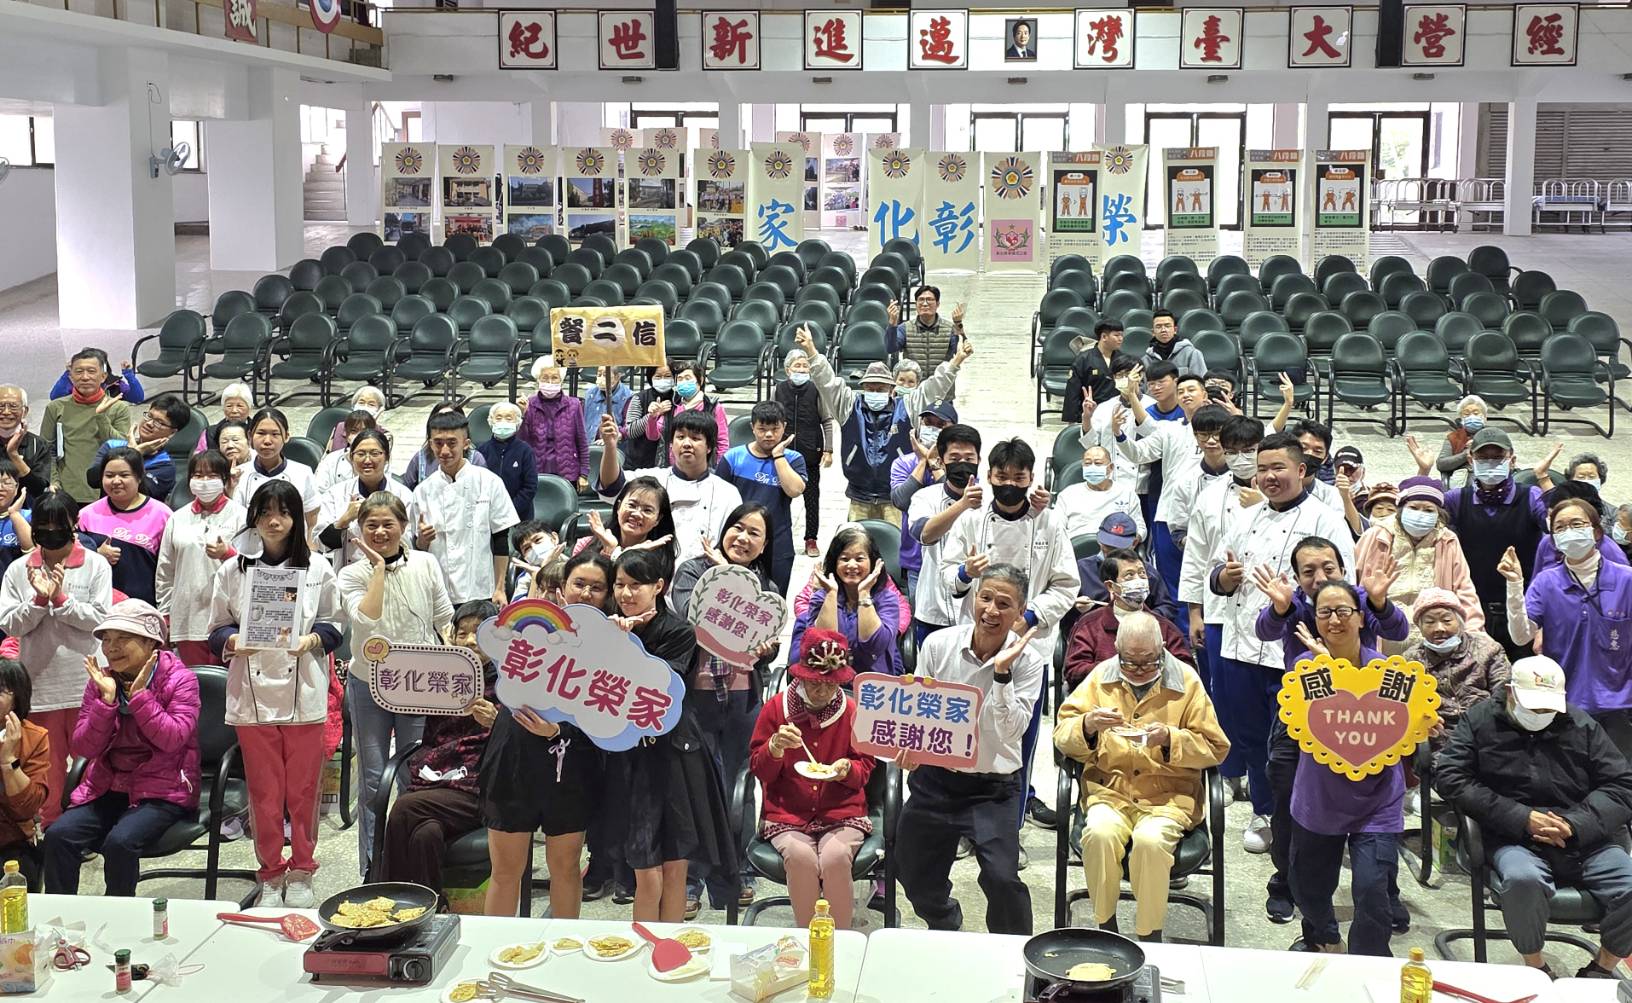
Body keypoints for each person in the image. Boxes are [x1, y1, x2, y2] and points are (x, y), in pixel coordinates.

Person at [1437, 655, 1632, 980]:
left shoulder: (1581, 724)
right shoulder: (1480, 720)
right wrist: (1521, 817)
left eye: (1547, 708)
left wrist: (1575, 824)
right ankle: (1537, 968)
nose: (1540, 714)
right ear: (1510, 692)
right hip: (1512, 836)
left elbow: (1621, 784)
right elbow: (1451, 777)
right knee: (1522, 881)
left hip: (1584, 837)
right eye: (1533, 706)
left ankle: (1602, 968)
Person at [1252, 534, 1411, 927]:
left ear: (1343, 568)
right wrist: (1279, 608)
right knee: (1290, 802)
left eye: (1328, 567)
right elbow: (1264, 630)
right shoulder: (1293, 604)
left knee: (1376, 808)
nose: (1319, 577)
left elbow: (1398, 628)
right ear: (1297, 577)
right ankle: (1287, 885)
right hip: (1302, 717)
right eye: (1308, 571)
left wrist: (1379, 602)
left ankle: (1384, 890)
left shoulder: (1358, 600)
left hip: (1362, 718)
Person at [1208, 432, 1354, 855]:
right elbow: (1214, 572)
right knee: (1251, 737)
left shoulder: (1326, 520)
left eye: (1278, 468)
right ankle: (1264, 811)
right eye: (1262, 469)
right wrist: (1224, 578)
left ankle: (1305, 818)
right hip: (1241, 645)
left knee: (1296, 744)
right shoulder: (1245, 518)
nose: (1269, 476)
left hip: (1297, 652)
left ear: (1302, 470)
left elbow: (1343, 588)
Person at [207, 479, 344, 908]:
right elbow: (216, 629)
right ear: (253, 518)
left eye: (283, 512)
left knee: (303, 791)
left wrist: (312, 640)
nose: (274, 520)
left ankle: (302, 869)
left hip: (304, 693)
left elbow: (335, 624)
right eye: (265, 512)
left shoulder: (317, 568)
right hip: (252, 697)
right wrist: (234, 641)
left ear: (296, 518)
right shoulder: (232, 570)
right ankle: (269, 873)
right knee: (264, 793)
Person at [1055, 612, 1229, 941]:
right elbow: (1063, 734)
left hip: (1168, 797)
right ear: (1117, 651)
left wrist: (1170, 739)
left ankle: (1150, 933)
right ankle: (1106, 925)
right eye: (1129, 662)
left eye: (1148, 661)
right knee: (1099, 834)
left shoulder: (1187, 682)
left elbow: (1215, 747)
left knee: (1150, 842)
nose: (1138, 670)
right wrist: (1088, 725)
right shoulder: (1100, 677)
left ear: (1161, 650)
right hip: (1109, 790)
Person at [897, 564, 1043, 935]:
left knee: (1002, 879)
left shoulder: (1030, 662)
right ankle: (945, 922)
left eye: (1004, 604)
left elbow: (1012, 732)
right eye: (986, 598)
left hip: (992, 787)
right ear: (975, 597)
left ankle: (1012, 949)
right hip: (935, 780)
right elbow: (919, 711)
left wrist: (1002, 675)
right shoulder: (938, 644)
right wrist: (911, 748)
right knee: (911, 872)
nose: (991, 610)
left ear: (1020, 611)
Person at [482, 552, 614, 919]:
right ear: (561, 589)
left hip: (573, 762)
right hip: (514, 754)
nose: (586, 593)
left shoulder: (615, 648)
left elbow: (607, 718)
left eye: (597, 587)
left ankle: (564, 947)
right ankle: (496, 947)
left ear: (608, 595)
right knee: (505, 871)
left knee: (566, 868)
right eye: (579, 584)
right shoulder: (530, 628)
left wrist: (558, 730)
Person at [607, 548, 734, 923]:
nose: (626, 593)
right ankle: (645, 945)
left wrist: (626, 644)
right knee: (646, 874)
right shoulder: (604, 631)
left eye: (636, 585)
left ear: (659, 586)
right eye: (620, 584)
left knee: (676, 867)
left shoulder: (679, 631)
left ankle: (669, 946)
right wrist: (611, 642)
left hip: (676, 753)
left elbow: (661, 685)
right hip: (628, 760)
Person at [44, 600, 198, 896]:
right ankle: (60, 916)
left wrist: (140, 697)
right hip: (110, 785)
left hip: (163, 790)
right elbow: (84, 747)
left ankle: (119, 914)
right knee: (58, 835)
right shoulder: (102, 682)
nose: (111, 648)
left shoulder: (182, 680)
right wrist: (106, 702)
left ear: (151, 642)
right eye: (107, 640)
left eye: (123, 638)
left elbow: (173, 739)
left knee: (120, 843)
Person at [337, 493, 454, 879]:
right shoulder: (351, 574)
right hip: (368, 682)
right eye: (371, 525)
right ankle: (374, 867)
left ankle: (409, 863)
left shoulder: (425, 563)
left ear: (404, 526)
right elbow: (366, 619)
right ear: (359, 530)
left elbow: (444, 619)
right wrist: (376, 570)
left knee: (413, 773)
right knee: (373, 779)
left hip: (419, 684)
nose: (380, 532)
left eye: (388, 524)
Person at [1428, 427, 1622, 660]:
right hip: (1471, 608)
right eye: (1483, 457)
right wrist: (1424, 471)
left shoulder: (1530, 496)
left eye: (1498, 457)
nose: (1490, 463)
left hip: (1523, 608)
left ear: (1512, 461)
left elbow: (1556, 523)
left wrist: (1544, 479)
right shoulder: (1457, 498)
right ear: (1471, 460)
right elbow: (1423, 514)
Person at [1287, 580, 1407, 956]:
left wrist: (1424, 725)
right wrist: (1327, 666)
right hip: (1319, 798)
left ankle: (1367, 962)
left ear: (1360, 618)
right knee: (1308, 886)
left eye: (1343, 611)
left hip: (1378, 800)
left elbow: (1408, 721)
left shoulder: (1388, 672)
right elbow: (1312, 722)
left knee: (1372, 890)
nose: (1335, 619)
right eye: (1325, 612)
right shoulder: (1305, 668)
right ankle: (1324, 939)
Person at [669, 503, 778, 913]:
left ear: (764, 545)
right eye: (738, 528)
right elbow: (694, 619)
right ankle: (694, 876)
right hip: (695, 696)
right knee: (696, 786)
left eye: (754, 533)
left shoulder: (765, 584)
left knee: (740, 783)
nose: (743, 538)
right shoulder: (693, 571)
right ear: (723, 530)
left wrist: (767, 649)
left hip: (742, 697)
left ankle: (739, 871)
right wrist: (724, 576)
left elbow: (768, 641)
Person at [0, 490, 113, 826]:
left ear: (73, 524)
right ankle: (50, 827)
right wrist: (38, 601)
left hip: (85, 682)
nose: (51, 532)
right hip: (40, 684)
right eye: (43, 526)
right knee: (47, 766)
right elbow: (9, 624)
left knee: (90, 761)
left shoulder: (95, 565)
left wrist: (61, 600)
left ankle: (89, 825)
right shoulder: (18, 570)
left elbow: (101, 619)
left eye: (58, 525)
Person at [749, 629, 874, 928]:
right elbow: (758, 769)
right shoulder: (776, 709)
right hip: (787, 812)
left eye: (831, 685)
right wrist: (775, 748)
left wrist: (847, 769)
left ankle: (839, 939)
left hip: (841, 811)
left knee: (835, 856)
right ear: (801, 677)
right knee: (800, 856)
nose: (822, 692)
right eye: (815, 683)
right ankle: (810, 938)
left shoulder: (851, 711)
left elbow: (865, 769)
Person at [378, 600, 498, 899]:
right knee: (426, 834)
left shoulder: (510, 685)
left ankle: (386, 900)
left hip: (479, 788)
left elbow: (526, 741)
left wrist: (499, 722)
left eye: (479, 632)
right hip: (433, 782)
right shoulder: (441, 678)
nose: (470, 641)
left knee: (404, 808)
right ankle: (430, 909)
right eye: (462, 633)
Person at [797, 325, 968, 523]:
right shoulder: (849, 406)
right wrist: (811, 351)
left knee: (893, 540)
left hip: (895, 495)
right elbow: (827, 382)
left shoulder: (908, 407)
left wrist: (955, 362)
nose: (875, 392)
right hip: (859, 496)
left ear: (890, 389)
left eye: (880, 389)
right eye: (870, 388)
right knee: (857, 540)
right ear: (863, 388)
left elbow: (934, 387)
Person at [1501, 495, 1632, 753]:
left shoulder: (1626, 580)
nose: (1568, 532)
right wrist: (1514, 586)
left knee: (1620, 774)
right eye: (1559, 527)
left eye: (1577, 524)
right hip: (1562, 701)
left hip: (1620, 705)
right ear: (1553, 540)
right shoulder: (1546, 582)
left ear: (1596, 532)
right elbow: (1520, 636)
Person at [1114, 390, 1226, 602]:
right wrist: (1119, 434)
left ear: (1204, 394)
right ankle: (1179, 624)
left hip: (1215, 521)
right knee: (1175, 583)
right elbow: (1138, 453)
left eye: (1191, 390)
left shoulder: (1234, 466)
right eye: (1181, 391)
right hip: (1171, 515)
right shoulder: (1168, 429)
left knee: (1217, 582)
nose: (1186, 395)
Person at [594, 409, 741, 569]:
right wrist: (610, 446)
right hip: (650, 571)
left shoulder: (728, 493)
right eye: (680, 437)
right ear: (671, 444)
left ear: (709, 447)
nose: (686, 443)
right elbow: (612, 486)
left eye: (695, 438)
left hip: (704, 574)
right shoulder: (652, 479)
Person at [1353, 476, 1481, 654]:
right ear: (1401, 509)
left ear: (1439, 514)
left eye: (1428, 510)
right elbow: (1353, 583)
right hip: (1381, 640)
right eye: (1413, 508)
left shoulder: (1447, 540)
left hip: (1432, 643)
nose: (1420, 514)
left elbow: (1464, 589)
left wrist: (1475, 635)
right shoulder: (1375, 535)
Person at [414, 410, 521, 606]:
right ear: (430, 444)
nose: (444, 450)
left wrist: (500, 588)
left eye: (452, 443)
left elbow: (500, 539)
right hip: (439, 590)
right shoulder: (423, 491)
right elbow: (419, 549)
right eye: (438, 443)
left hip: (479, 586)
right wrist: (422, 540)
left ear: (466, 443)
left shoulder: (489, 482)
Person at [155, 450, 246, 666]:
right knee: (195, 682)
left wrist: (228, 554)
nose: (204, 481)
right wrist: (165, 614)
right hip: (187, 618)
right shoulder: (177, 518)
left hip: (230, 619)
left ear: (225, 479)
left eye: (212, 475)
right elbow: (165, 572)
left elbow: (253, 565)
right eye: (198, 475)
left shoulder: (241, 516)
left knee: (229, 683)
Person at [1401, 588, 1510, 751]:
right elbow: (1399, 707)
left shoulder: (1489, 649)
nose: (1439, 628)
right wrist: (1419, 721)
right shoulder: (1410, 660)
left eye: (1446, 620)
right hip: (1438, 743)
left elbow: (1504, 695)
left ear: (1460, 622)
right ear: (1420, 627)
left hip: (1487, 737)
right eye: (1429, 622)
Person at [714, 402, 805, 595]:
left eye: (775, 429)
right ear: (752, 427)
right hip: (739, 541)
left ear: (784, 427)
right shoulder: (733, 458)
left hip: (778, 542)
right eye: (762, 429)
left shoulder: (794, 459)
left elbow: (794, 490)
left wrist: (778, 456)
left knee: (772, 599)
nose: (769, 435)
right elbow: (718, 500)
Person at [790, 526, 902, 678]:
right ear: (834, 563)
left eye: (859, 559)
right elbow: (822, 647)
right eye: (844, 559)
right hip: (829, 682)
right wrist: (831, 594)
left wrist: (864, 593)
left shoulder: (887, 599)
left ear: (873, 562)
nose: (852, 565)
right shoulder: (821, 597)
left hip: (872, 685)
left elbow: (875, 645)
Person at [1062, 555, 1190, 687]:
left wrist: (1160, 662)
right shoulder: (1089, 626)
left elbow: (1188, 672)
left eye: (1142, 573)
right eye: (1130, 575)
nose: (1139, 581)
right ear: (1111, 586)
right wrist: (1117, 667)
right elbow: (1074, 672)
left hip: (1156, 697)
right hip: (1103, 697)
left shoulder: (1164, 626)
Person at [908, 423, 982, 646]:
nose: (963, 464)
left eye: (969, 458)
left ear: (979, 460)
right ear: (941, 461)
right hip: (934, 609)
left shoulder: (990, 499)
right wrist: (963, 504)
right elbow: (923, 534)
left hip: (978, 613)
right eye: (955, 458)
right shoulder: (925, 497)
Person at [76, 447, 171, 605]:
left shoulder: (162, 514)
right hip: (96, 606)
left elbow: (170, 567)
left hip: (144, 606)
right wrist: (96, 553)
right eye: (109, 475)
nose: (116, 481)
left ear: (139, 477)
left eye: (124, 475)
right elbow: (70, 559)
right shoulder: (86, 515)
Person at [316, 430, 418, 571]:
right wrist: (345, 519)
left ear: (387, 457)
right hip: (348, 574)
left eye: (375, 454)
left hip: (392, 571)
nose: (367, 460)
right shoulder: (335, 494)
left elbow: (409, 545)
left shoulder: (403, 495)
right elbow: (321, 543)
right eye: (361, 454)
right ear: (351, 458)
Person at [39, 349, 131, 506]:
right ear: (71, 377)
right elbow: (46, 450)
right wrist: (54, 481)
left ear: (103, 376)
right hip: (67, 490)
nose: (85, 377)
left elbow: (121, 448)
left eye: (91, 371)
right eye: (79, 372)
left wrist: (101, 417)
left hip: (107, 489)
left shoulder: (119, 407)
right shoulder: (56, 407)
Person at [889, 401, 958, 601]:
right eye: (928, 423)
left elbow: (956, 504)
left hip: (953, 559)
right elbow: (901, 501)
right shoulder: (903, 463)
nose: (933, 429)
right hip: (916, 561)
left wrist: (935, 465)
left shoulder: (961, 465)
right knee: (917, 614)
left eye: (940, 425)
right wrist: (922, 461)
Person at [772, 348, 834, 559]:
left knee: (812, 498)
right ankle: (779, 537)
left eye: (805, 366)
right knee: (780, 498)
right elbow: (771, 419)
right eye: (797, 365)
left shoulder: (817, 390)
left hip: (810, 452)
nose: (801, 369)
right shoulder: (778, 389)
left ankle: (811, 539)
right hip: (784, 455)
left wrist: (828, 449)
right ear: (787, 369)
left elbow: (827, 420)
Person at [0, 660, 48, 887]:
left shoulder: (34, 737)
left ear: (17, 697)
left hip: (11, 839)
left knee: (19, 879)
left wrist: (9, 760)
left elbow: (27, 807)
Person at [90, 393, 190, 503]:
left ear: (172, 432)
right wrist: (133, 451)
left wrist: (134, 453)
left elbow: (140, 494)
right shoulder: (112, 445)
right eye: (149, 416)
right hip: (107, 511)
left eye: (159, 422)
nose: (149, 423)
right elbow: (92, 479)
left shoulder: (165, 465)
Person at [231, 409, 320, 531]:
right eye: (261, 433)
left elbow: (312, 519)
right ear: (250, 436)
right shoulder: (238, 475)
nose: (267, 441)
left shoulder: (303, 473)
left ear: (286, 436)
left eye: (275, 434)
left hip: (292, 542)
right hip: (248, 541)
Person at [645, 360, 730, 469]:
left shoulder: (712, 407)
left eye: (687, 378)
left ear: (700, 380)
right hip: (671, 467)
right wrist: (652, 417)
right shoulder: (671, 405)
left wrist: (720, 468)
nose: (683, 382)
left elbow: (722, 442)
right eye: (680, 379)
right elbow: (653, 436)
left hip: (703, 468)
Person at [520, 356, 589, 488]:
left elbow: (582, 441)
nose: (550, 382)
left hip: (568, 473)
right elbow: (522, 441)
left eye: (554, 377)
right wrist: (522, 415)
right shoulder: (529, 404)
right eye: (545, 378)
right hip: (536, 471)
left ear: (561, 380)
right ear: (538, 380)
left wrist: (584, 473)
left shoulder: (574, 404)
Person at [1055, 444, 1144, 541]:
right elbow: (1056, 528)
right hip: (1074, 546)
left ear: (1111, 467)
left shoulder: (1126, 493)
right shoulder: (1068, 494)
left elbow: (1140, 528)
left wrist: (1134, 540)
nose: (1092, 467)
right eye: (1087, 463)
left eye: (1098, 463)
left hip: (1115, 547)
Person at [476, 400, 538, 524]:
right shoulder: (481, 450)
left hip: (520, 516)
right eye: (498, 418)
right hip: (489, 515)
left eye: (509, 418)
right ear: (491, 421)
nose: (503, 422)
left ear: (517, 423)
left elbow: (530, 487)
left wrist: (509, 510)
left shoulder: (525, 450)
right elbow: (477, 484)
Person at [1063, 321, 1128, 424]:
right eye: (1116, 335)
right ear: (1104, 337)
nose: (1120, 339)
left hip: (1117, 414)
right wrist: (1072, 420)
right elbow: (1072, 391)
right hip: (1091, 413)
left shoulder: (1122, 359)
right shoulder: (1083, 359)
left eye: (1121, 335)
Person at [885, 285, 965, 367]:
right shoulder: (904, 328)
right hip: (914, 375)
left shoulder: (950, 328)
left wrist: (958, 323)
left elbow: (962, 350)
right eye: (921, 299)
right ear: (916, 304)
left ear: (937, 304)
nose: (925, 304)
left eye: (929, 299)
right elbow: (891, 348)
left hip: (942, 375)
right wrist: (892, 324)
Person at [0, 385, 54, 500]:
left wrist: (13, 455)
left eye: (13, 406)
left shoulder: (38, 444)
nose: (6, 412)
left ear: (25, 411)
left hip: (26, 509)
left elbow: (40, 490)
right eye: (1, 406)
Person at [622, 361, 678, 470]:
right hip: (639, 463)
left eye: (667, 376)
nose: (663, 380)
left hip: (669, 464)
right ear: (650, 377)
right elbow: (630, 431)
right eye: (658, 376)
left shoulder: (678, 399)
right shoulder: (639, 398)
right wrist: (652, 416)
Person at [312, 410, 377, 495]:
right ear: (346, 434)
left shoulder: (380, 459)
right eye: (354, 431)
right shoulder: (331, 459)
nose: (359, 436)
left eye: (364, 432)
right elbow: (318, 491)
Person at [49, 351, 143, 404]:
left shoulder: (115, 384)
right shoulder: (75, 382)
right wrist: (68, 374)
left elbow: (137, 398)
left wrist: (129, 375)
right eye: (80, 370)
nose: (85, 376)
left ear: (103, 374)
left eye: (91, 370)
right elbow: (55, 397)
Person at [1436, 395, 1488, 486]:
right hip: (1462, 480)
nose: (1472, 417)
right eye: (1467, 414)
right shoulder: (1453, 437)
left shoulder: (1494, 435)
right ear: (1461, 419)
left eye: (1476, 413)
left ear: (1485, 417)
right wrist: (1466, 454)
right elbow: (1441, 464)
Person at [1143, 309, 1207, 378]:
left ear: (1175, 330)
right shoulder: (1146, 360)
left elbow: (1200, 381)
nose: (1163, 330)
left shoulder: (1192, 354)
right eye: (1158, 327)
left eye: (1167, 326)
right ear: (1153, 332)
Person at [583, 365, 633, 445]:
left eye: (605, 375)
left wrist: (615, 436)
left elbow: (628, 427)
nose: (601, 378)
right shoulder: (590, 393)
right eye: (599, 375)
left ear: (617, 377)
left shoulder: (628, 396)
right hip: (589, 443)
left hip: (615, 445)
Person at [328, 385, 388, 451]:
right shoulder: (340, 427)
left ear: (380, 410)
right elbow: (330, 453)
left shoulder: (384, 434)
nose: (365, 407)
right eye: (361, 402)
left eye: (371, 404)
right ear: (354, 406)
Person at [200, 383, 255, 453]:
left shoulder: (257, 431)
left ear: (250, 408)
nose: (234, 410)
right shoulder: (211, 433)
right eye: (229, 406)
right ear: (223, 408)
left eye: (240, 406)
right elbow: (199, 457)